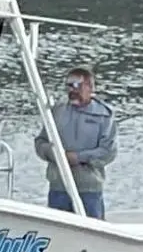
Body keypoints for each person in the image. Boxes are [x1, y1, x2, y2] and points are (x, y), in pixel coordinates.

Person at [33, 66, 117, 218]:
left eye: (77, 85)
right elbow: (40, 142)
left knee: (93, 233)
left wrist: (78, 158)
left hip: (89, 190)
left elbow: (108, 152)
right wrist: (55, 154)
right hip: (59, 187)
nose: (72, 90)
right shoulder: (57, 111)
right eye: (69, 85)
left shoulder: (104, 116)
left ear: (90, 87)